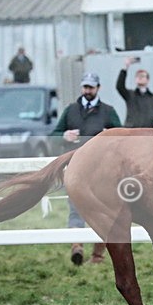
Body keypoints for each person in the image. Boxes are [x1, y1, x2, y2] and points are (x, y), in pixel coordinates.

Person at [50, 72, 121, 265]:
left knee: (103, 211)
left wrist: (111, 135)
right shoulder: (70, 110)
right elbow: (53, 135)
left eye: (91, 87)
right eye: (85, 87)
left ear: (98, 88)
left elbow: (124, 136)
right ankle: (77, 247)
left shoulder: (108, 111)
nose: (87, 90)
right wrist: (64, 136)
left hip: (102, 171)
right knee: (76, 209)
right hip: (75, 169)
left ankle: (98, 255)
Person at [116, 57, 153, 128]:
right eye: (137, 76)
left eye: (142, 76)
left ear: (147, 80)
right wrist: (125, 67)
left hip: (147, 133)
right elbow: (119, 86)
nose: (139, 77)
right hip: (131, 132)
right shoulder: (130, 95)